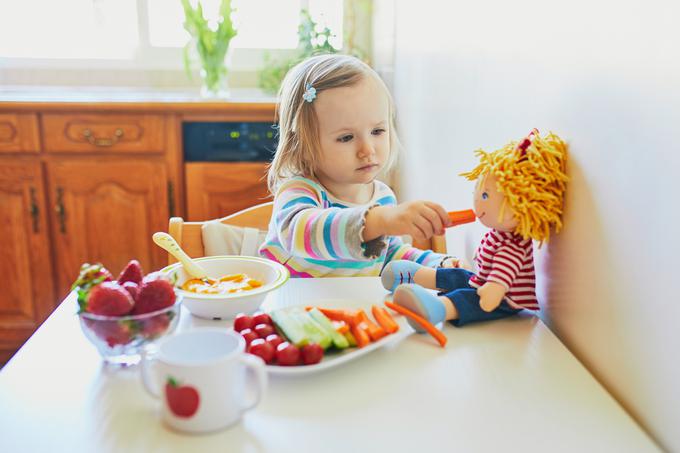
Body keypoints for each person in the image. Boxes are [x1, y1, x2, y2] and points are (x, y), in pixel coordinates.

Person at [259, 54, 459, 277]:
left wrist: (437, 263)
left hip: (352, 307)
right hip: (291, 307)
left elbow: (390, 255)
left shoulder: (382, 197)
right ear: (303, 145)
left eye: (377, 131)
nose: (368, 150)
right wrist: (381, 220)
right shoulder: (299, 191)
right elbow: (301, 233)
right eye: (346, 138)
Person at [381, 129, 568, 329]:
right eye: (477, 192)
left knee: (468, 298)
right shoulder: (500, 234)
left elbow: (503, 273)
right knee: (459, 275)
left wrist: (493, 290)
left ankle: (437, 308)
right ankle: (415, 274)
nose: (478, 202)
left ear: (521, 204)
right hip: (481, 281)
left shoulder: (514, 245)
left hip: (502, 299)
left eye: (485, 196)